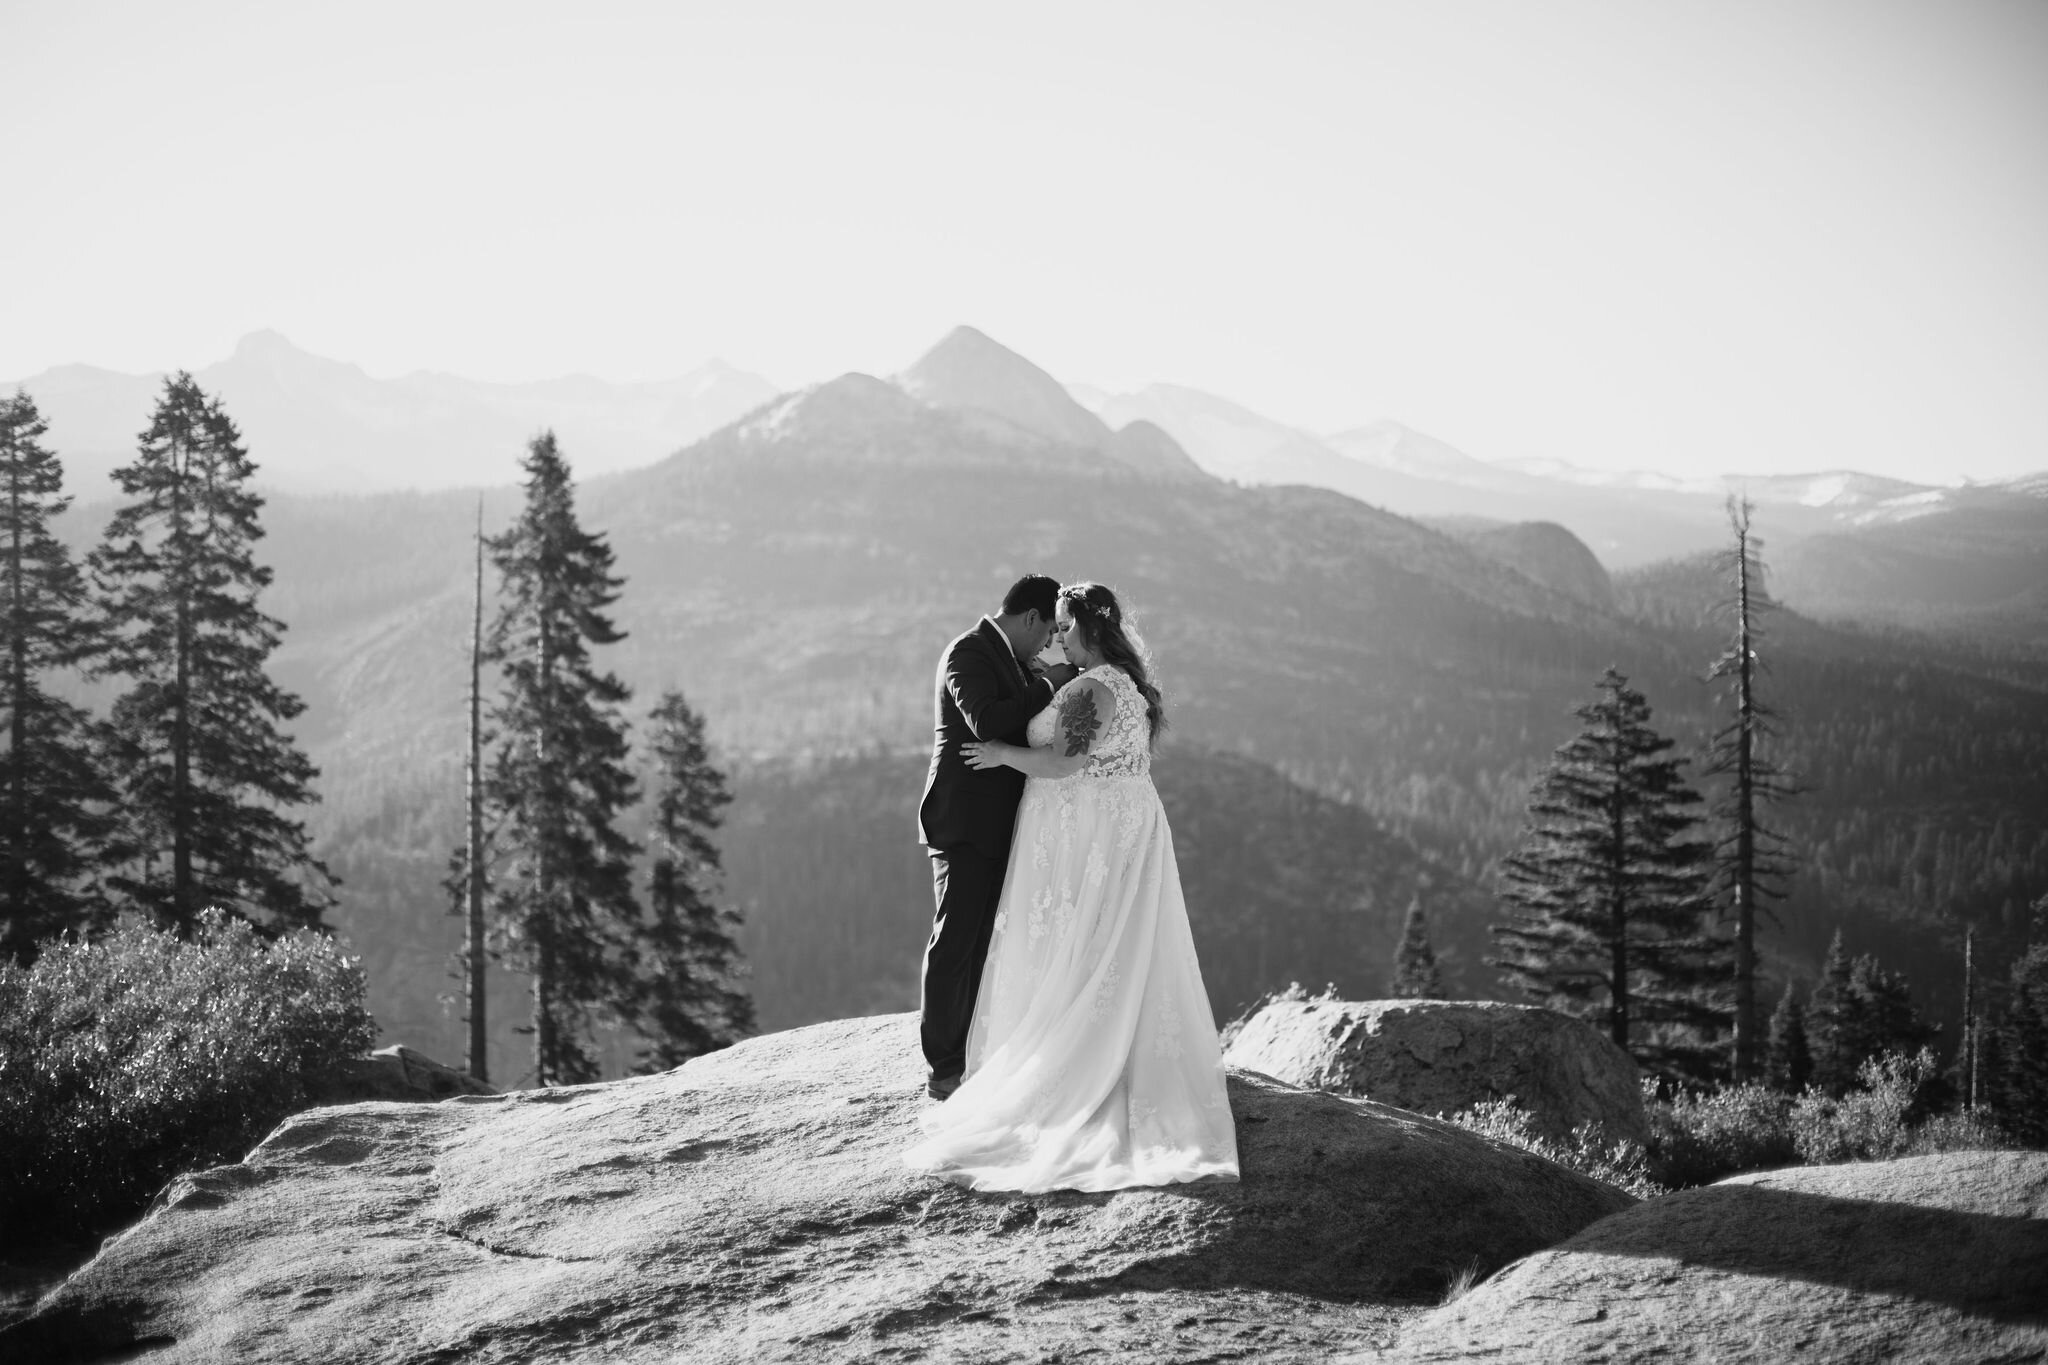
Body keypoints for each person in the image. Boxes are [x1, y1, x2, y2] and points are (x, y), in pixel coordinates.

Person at [903, 582, 1239, 1192]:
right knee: (1106, 941)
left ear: (1085, 629)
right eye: (1052, 626)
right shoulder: (1116, 683)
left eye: (1064, 627)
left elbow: (1065, 760)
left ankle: (1077, 1056)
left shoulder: (1091, 686)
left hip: (1089, 831)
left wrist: (1003, 752)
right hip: (1104, 826)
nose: (1056, 638)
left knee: (1084, 942)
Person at [917, 574, 1077, 1102]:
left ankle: (972, 1055)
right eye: (1049, 630)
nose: (1051, 642)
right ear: (1029, 617)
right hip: (964, 821)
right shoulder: (969, 651)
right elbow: (985, 720)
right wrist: (1050, 684)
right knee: (957, 938)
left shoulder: (1009, 657)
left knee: (986, 940)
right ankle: (943, 1068)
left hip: (1001, 822)